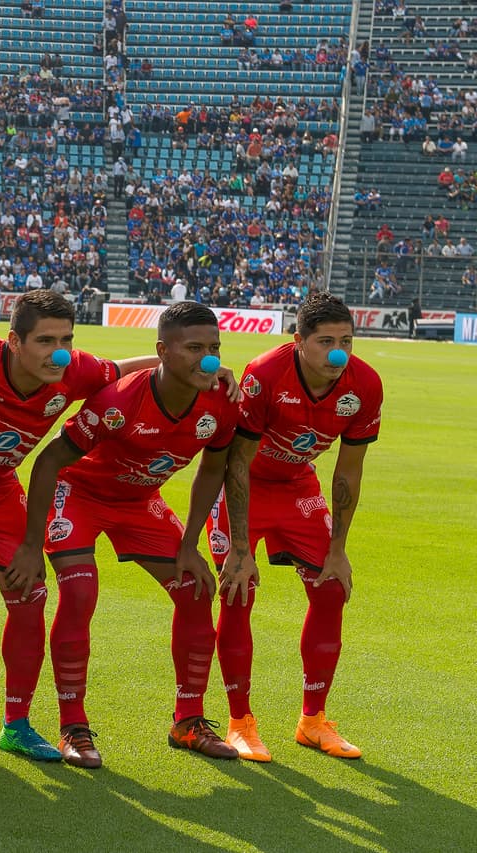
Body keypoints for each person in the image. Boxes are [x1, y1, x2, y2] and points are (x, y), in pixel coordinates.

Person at [0, 290, 153, 764]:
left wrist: (195, 369)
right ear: (14, 341)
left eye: (66, 340)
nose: (59, 353)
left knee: (30, 597)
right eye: (45, 341)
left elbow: (125, 370)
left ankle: (16, 725)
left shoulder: (74, 370)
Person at [8, 301, 240, 769]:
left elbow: (213, 470)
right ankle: (73, 725)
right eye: (194, 349)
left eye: (213, 349)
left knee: (196, 590)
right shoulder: (118, 402)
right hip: (79, 494)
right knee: (79, 592)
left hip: (138, 501)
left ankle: (188, 721)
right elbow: (50, 461)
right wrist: (31, 545)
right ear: (162, 351)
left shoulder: (221, 402)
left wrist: (190, 545)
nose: (208, 361)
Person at [209, 292, 382, 762]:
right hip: (243, 487)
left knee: (331, 589)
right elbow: (237, 463)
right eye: (326, 342)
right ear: (298, 341)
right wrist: (239, 549)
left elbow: (348, 473)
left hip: (297, 486)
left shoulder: (365, 383)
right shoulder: (265, 373)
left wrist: (338, 549)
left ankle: (313, 721)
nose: (338, 353)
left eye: (346, 341)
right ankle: (240, 723)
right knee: (238, 592)